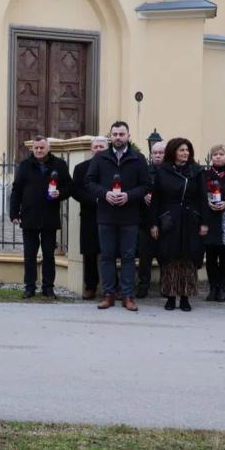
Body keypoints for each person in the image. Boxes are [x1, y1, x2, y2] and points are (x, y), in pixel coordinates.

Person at [86, 121, 150, 311]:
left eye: (122, 134)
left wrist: (128, 196)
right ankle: (108, 295)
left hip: (129, 216)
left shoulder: (138, 159)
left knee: (129, 256)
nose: (118, 138)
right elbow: (89, 182)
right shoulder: (100, 158)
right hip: (106, 215)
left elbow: (146, 185)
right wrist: (105, 194)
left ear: (128, 136)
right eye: (114, 134)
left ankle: (128, 295)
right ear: (110, 136)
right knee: (106, 256)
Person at [149, 138, 208, 312]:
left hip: (191, 219)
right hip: (169, 220)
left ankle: (185, 296)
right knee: (169, 257)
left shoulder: (196, 171)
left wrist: (204, 222)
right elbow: (156, 201)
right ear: (174, 151)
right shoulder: (162, 172)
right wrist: (154, 224)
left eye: (188, 150)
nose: (185, 153)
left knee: (188, 257)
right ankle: (170, 295)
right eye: (182, 150)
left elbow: (203, 198)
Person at [10, 135, 72, 298]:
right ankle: (29, 287)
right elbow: (16, 190)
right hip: (29, 217)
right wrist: (14, 213)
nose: (38, 150)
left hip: (49, 217)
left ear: (48, 148)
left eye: (41, 147)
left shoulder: (59, 165)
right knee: (29, 255)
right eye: (36, 148)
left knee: (48, 255)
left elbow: (69, 187)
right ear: (33, 149)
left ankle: (48, 287)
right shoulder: (24, 165)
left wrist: (60, 193)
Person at [71, 136, 108, 300]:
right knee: (90, 253)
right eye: (96, 146)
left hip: (110, 214)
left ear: (107, 148)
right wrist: (96, 200)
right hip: (89, 215)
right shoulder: (80, 168)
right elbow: (76, 191)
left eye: (102, 146)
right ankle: (90, 286)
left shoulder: (114, 167)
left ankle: (112, 287)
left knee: (111, 252)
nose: (99, 149)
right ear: (91, 148)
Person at [203, 144, 225, 302]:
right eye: (215, 154)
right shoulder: (205, 175)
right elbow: (199, 194)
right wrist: (207, 201)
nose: (218, 157)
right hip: (209, 218)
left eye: (221, 154)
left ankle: (222, 288)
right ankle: (213, 287)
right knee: (210, 255)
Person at [136, 140, 166, 298]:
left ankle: (165, 286)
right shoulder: (145, 171)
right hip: (145, 220)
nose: (158, 156)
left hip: (164, 221)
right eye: (155, 153)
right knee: (144, 257)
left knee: (165, 256)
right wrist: (144, 196)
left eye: (161, 153)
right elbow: (137, 189)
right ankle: (143, 286)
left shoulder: (170, 171)